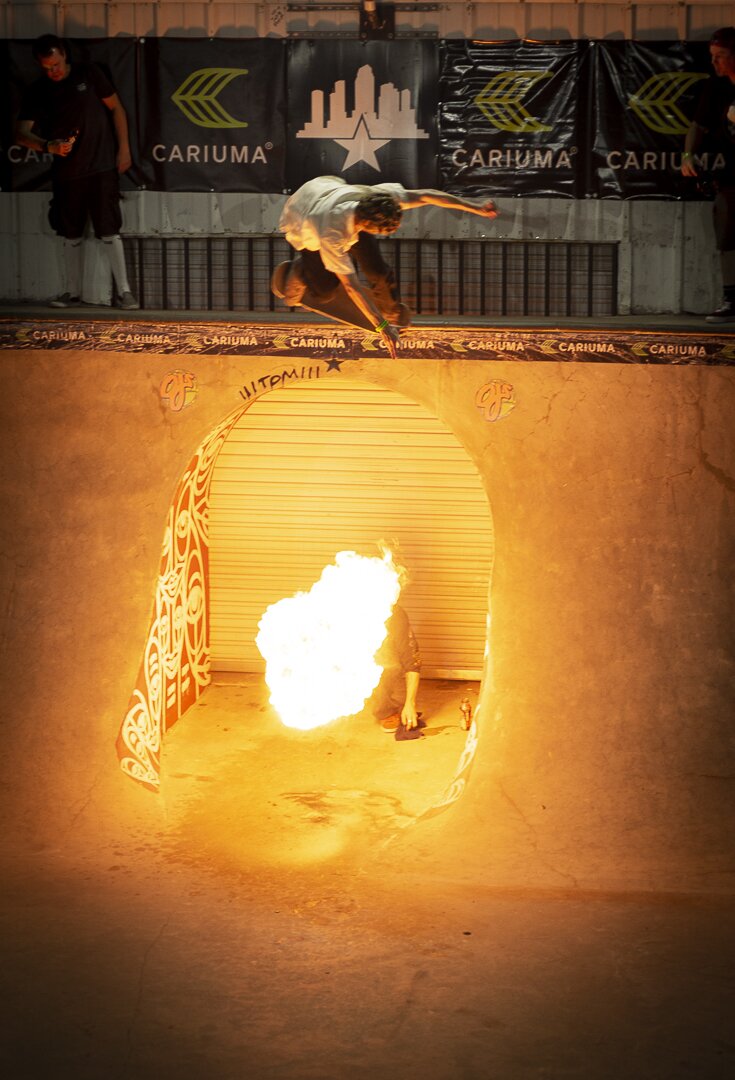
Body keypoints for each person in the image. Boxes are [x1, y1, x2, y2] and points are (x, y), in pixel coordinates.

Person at [272, 175, 497, 357]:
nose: (382, 234)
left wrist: (475, 207)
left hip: (326, 191)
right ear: (366, 223)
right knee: (325, 291)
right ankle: (301, 270)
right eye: (379, 231)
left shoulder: (377, 199)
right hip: (303, 218)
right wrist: (380, 326)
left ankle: (391, 311)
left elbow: (427, 196)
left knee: (378, 272)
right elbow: (351, 286)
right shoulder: (332, 233)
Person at [14, 34, 139, 310]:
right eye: (47, 68)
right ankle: (71, 293)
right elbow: (21, 134)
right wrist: (47, 146)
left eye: (56, 65)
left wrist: (124, 149)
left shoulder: (89, 74)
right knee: (70, 233)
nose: (53, 71)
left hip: (101, 166)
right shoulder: (38, 90)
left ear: (64, 55)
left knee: (109, 230)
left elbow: (116, 109)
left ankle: (125, 292)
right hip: (67, 172)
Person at [681, 27, 735, 322]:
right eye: (712, 56)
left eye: (721, 56)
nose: (714, 62)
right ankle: (731, 298)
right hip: (732, 174)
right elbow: (697, 125)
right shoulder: (717, 88)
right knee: (727, 233)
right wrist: (688, 155)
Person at [368, 603, 422, 734]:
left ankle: (385, 709)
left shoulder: (394, 614)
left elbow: (411, 659)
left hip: (375, 654)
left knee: (387, 661)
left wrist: (410, 703)